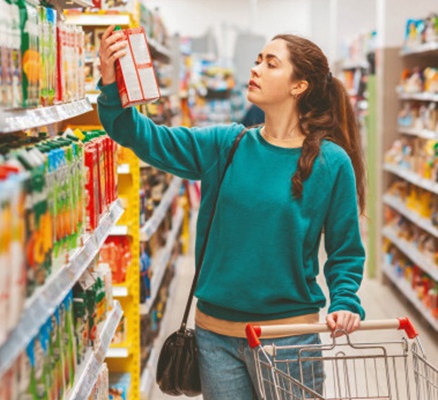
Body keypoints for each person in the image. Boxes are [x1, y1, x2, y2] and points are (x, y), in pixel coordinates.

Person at [97, 27, 366, 399]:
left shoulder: (331, 162)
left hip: (288, 340)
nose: (256, 69)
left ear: (298, 86)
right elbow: (138, 134)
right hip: (215, 338)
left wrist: (345, 300)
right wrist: (112, 86)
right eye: (257, 60)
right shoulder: (226, 144)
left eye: (271, 64)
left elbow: (345, 250)